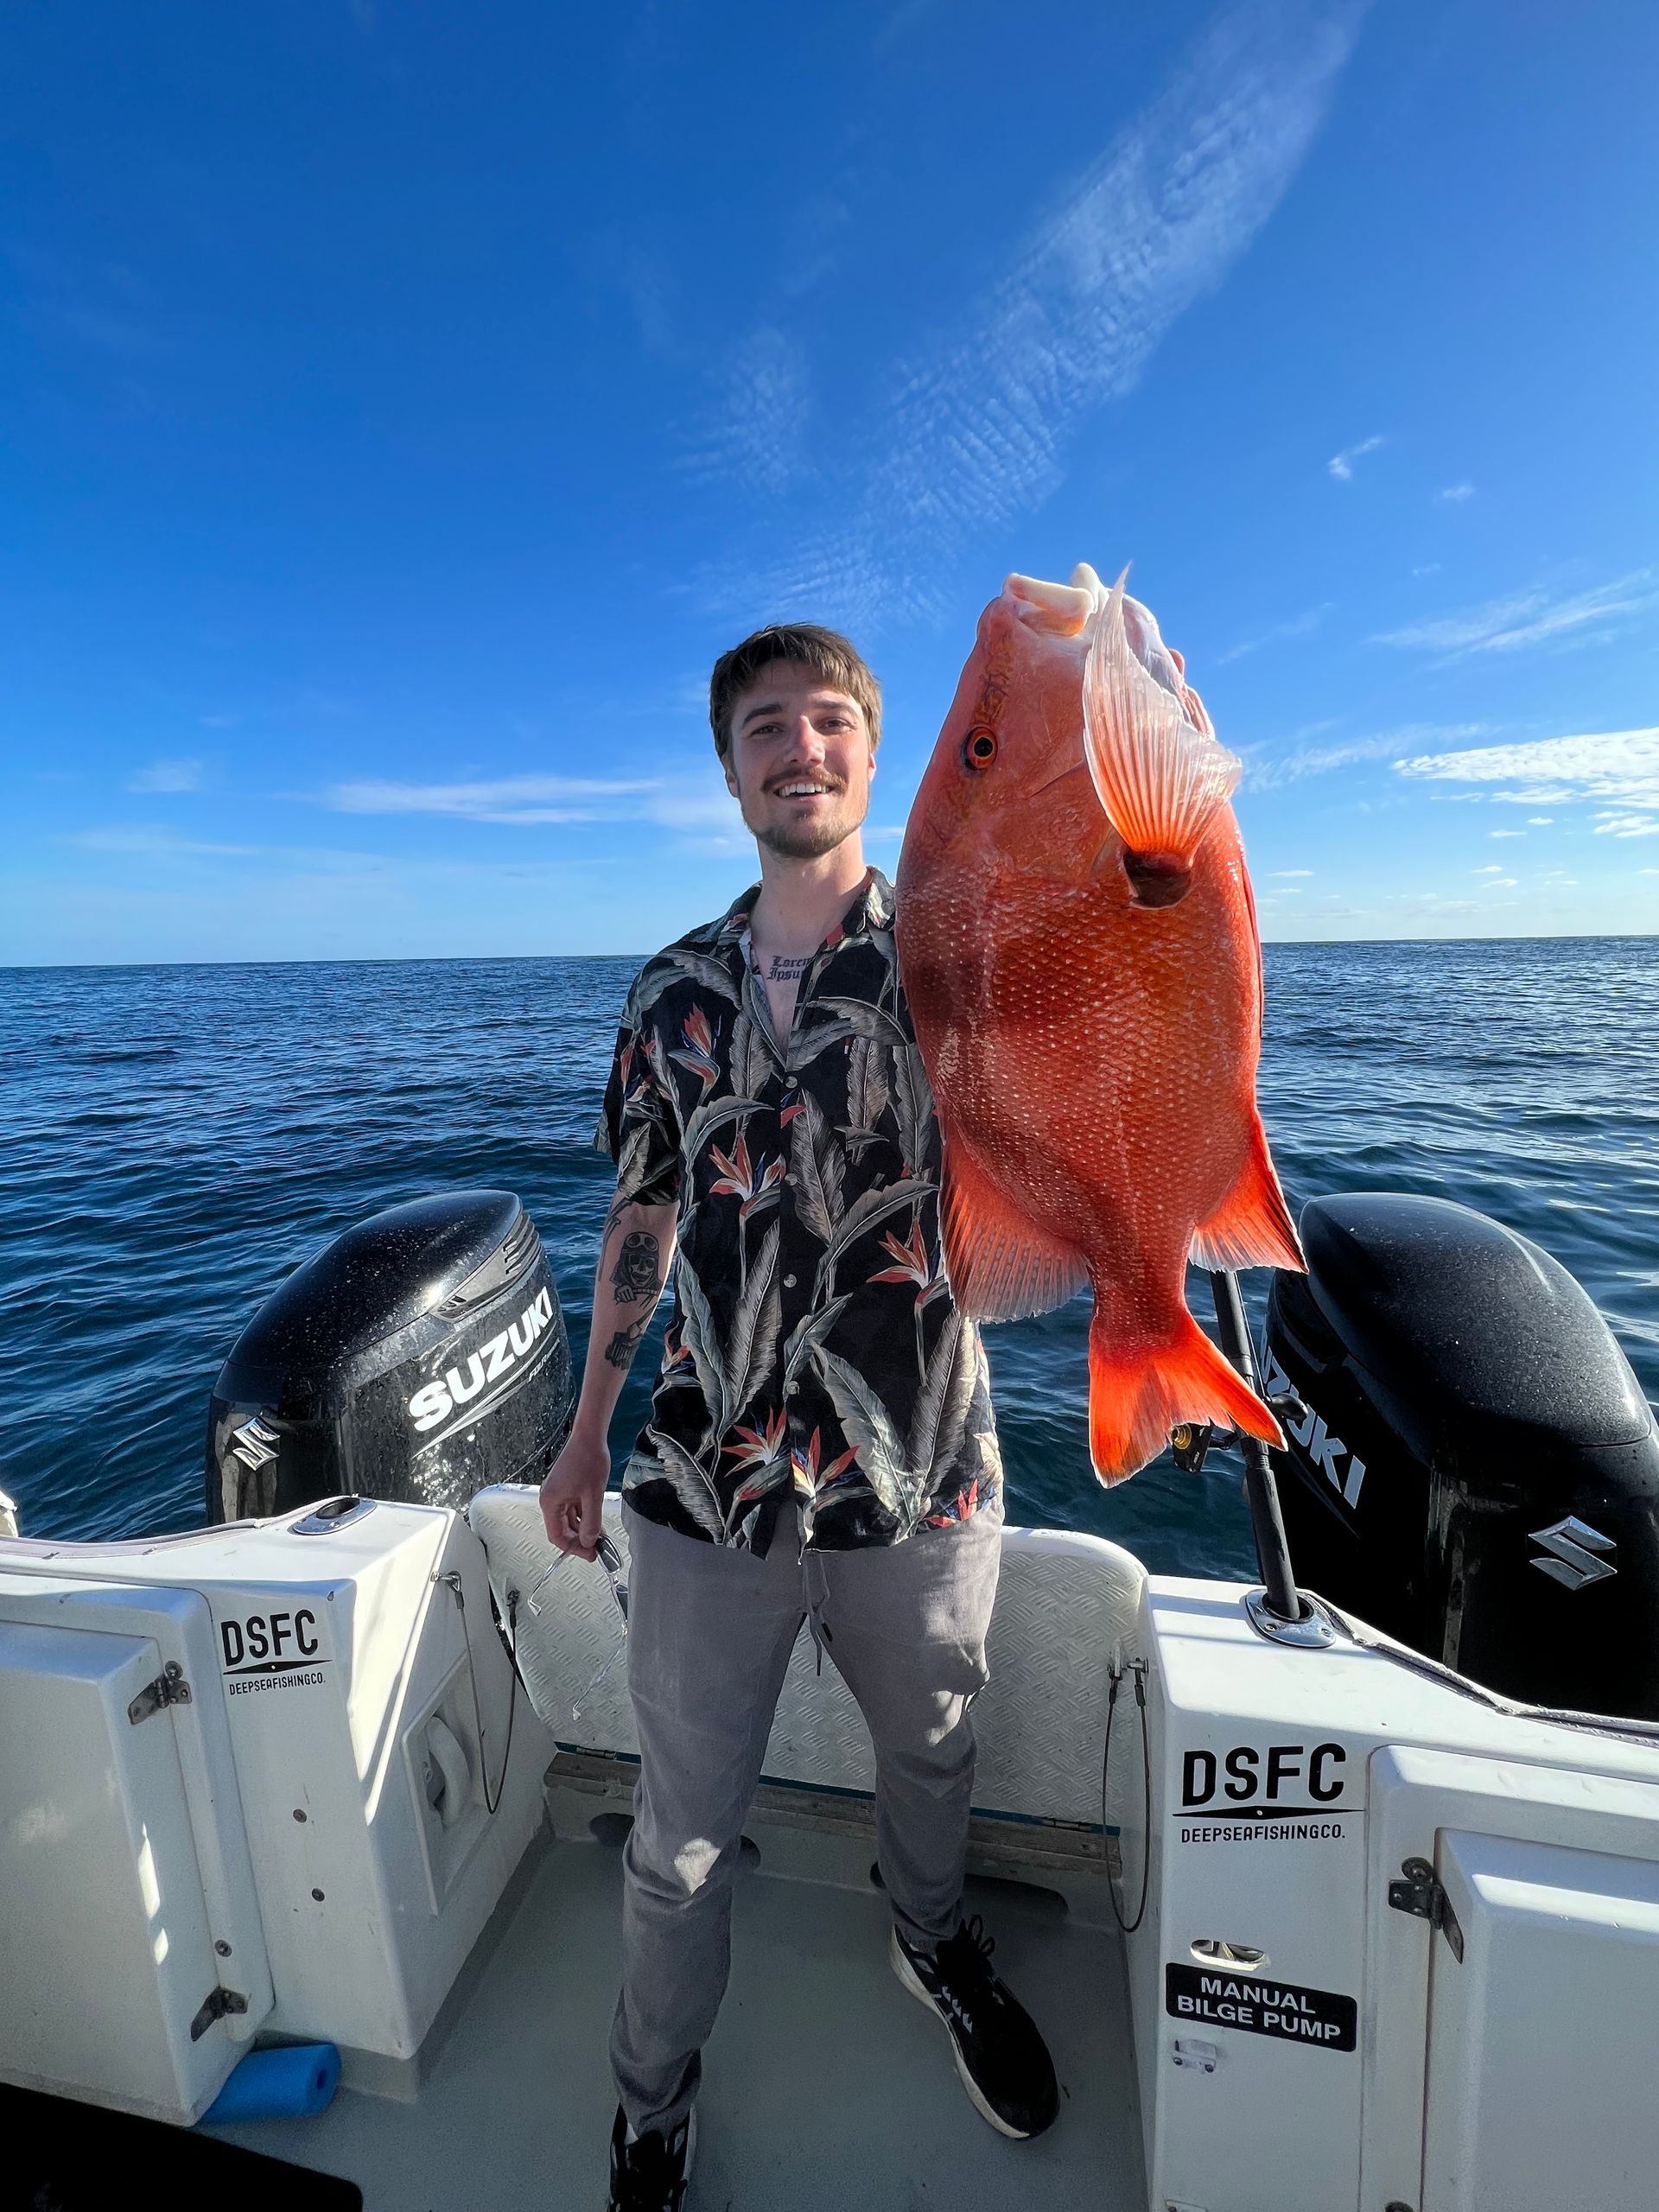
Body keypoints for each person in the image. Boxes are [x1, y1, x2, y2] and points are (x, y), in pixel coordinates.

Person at [540, 621, 1058, 2212]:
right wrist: (583, 1430)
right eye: (767, 725)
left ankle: (934, 1944)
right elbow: (641, 1220)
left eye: (830, 721)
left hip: (919, 1471)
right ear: (729, 767)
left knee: (933, 1754)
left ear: (872, 752)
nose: (801, 748)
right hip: (703, 1476)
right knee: (678, 1840)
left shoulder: (958, 954)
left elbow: (1060, 1118)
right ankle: (649, 2106)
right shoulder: (670, 991)